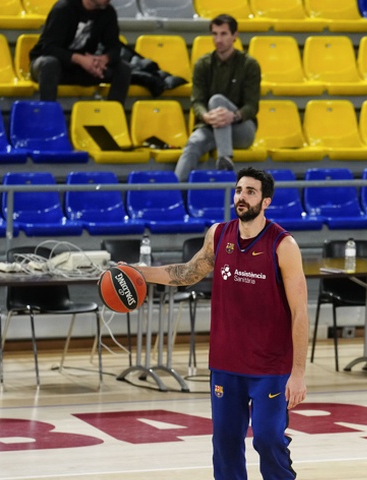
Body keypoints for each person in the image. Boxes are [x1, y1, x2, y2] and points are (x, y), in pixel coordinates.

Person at [135, 167, 308, 478]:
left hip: (270, 366)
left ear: (265, 201)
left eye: (250, 192)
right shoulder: (218, 234)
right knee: (225, 444)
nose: (241, 197)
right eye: (239, 190)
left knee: (268, 440)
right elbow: (187, 273)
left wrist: (298, 373)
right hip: (226, 364)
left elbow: (300, 313)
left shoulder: (284, 245)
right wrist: (140, 273)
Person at [175, 14, 261, 181]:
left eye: (223, 34)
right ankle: (175, 194)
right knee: (193, 143)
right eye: (215, 34)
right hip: (210, 125)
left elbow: (252, 106)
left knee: (217, 101)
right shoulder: (202, 64)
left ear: (234, 36)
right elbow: (197, 102)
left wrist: (233, 116)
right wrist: (206, 116)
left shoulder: (249, 65)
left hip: (241, 128)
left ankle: (224, 156)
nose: (218, 39)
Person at [29, 0, 131, 103]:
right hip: (49, 64)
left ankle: (113, 115)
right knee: (50, 64)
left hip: (83, 67)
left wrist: (104, 59)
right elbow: (49, 48)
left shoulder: (108, 12)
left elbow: (114, 46)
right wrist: (79, 59)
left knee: (123, 68)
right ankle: (48, 114)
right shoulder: (64, 8)